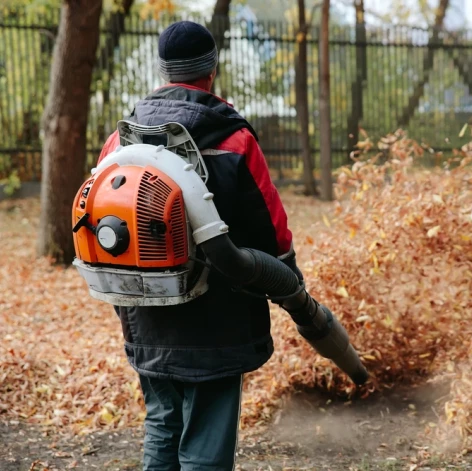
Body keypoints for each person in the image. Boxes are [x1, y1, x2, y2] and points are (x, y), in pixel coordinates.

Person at [96, 20, 303, 471]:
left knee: (162, 419)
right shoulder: (234, 138)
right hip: (220, 317)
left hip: (144, 313)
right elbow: (271, 228)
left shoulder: (120, 140)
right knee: (207, 431)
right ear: (212, 69)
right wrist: (289, 276)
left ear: (164, 71)